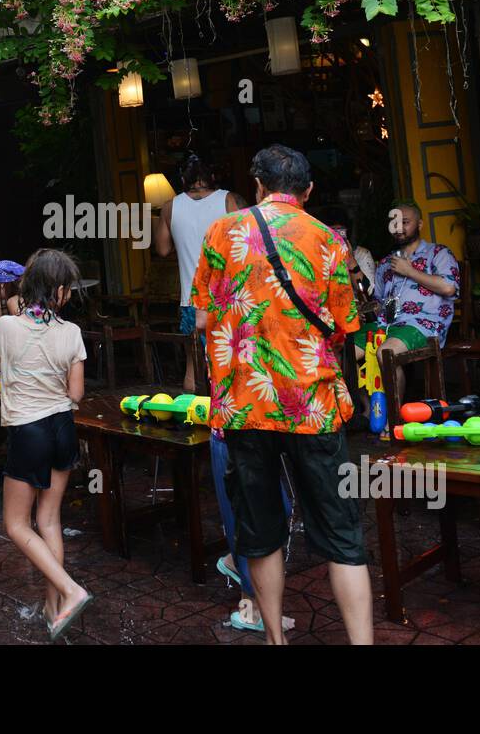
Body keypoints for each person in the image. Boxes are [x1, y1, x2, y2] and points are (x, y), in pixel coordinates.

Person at [192, 144, 372, 645]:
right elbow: (344, 326)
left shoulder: (220, 232)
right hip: (312, 406)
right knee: (341, 535)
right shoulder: (329, 241)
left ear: (257, 185)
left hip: (245, 407)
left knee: (260, 531)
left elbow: (202, 316)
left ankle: (275, 640)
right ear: (308, 191)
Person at [0, 249, 92, 640]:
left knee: (16, 524)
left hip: (29, 432)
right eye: (69, 289)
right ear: (58, 292)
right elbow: (76, 393)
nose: (71, 296)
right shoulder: (71, 332)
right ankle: (54, 608)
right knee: (50, 520)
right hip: (62, 427)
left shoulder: (6, 327)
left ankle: (70, 590)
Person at [153, 154, 246, 392]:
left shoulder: (170, 207)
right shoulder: (229, 201)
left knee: (192, 366)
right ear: (213, 176)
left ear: (183, 178)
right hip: (229, 299)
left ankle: (194, 420)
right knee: (233, 361)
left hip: (190, 300)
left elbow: (162, 249)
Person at [355, 201, 460, 398]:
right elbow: (380, 302)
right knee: (342, 353)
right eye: (394, 223)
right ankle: (368, 411)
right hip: (387, 324)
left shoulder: (438, 253)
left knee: (386, 353)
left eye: (405, 222)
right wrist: (366, 308)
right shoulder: (386, 263)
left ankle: (394, 421)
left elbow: (448, 287)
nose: (399, 228)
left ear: (419, 225)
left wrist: (410, 271)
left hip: (424, 325)